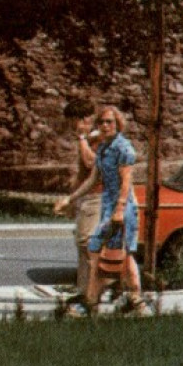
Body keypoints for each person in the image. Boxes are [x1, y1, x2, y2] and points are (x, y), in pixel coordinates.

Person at [55, 105, 146, 315]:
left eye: (109, 122)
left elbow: (126, 182)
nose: (105, 126)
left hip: (123, 207)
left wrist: (120, 210)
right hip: (108, 205)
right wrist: (70, 198)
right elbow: (93, 178)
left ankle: (132, 301)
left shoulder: (123, 148)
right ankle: (98, 301)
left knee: (123, 255)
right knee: (100, 251)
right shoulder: (104, 148)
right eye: (102, 122)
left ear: (118, 124)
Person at [62, 97, 102, 300]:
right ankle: (83, 290)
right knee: (82, 245)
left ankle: (90, 294)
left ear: (85, 120)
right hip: (86, 198)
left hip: (96, 197)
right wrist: (72, 199)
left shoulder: (98, 139)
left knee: (88, 246)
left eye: (73, 122)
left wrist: (81, 139)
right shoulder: (88, 140)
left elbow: (89, 163)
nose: (71, 127)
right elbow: (80, 173)